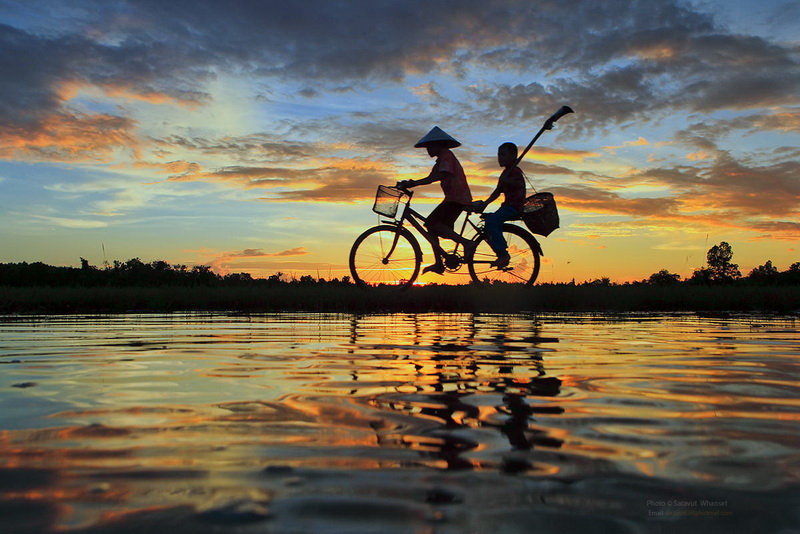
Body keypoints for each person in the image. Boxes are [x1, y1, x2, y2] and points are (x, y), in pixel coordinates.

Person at [397, 126, 474, 275]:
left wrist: (414, 183)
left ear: (439, 145)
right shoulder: (441, 160)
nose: (428, 150)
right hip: (453, 198)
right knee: (431, 228)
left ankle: (466, 243)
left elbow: (440, 176)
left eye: (430, 146)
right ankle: (439, 263)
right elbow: (429, 178)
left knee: (432, 223)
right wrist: (412, 182)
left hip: (457, 198)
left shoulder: (446, 155)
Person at [472, 142, 526, 268]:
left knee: (492, 222)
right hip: (506, 206)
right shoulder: (505, 173)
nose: (499, 158)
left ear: (513, 156)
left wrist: (507, 180)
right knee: (488, 220)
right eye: (498, 155)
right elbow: (497, 192)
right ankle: (498, 250)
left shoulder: (515, 172)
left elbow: (519, 185)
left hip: (514, 207)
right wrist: (485, 204)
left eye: (503, 154)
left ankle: (503, 253)